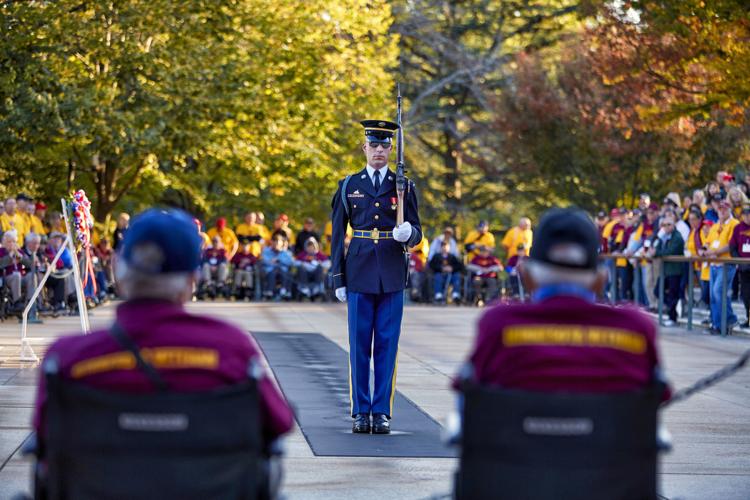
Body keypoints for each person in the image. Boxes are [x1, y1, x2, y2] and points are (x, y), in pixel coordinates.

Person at [31, 209, 294, 465]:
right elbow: (279, 422)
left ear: (118, 273)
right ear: (192, 281)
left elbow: (44, 432)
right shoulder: (231, 348)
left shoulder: (66, 358)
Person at [457, 207, 670, 398]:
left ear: (526, 275)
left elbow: (469, 391)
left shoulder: (499, 324)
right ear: (600, 280)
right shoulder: (635, 328)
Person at [330, 118, 422, 434]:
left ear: (391, 148)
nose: (379, 150)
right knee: (358, 345)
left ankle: (381, 410)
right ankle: (360, 411)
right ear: (365, 147)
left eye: (385, 145)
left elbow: (418, 230)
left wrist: (409, 233)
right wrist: (337, 277)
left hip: (392, 272)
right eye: (374, 144)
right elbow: (337, 234)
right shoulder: (348, 185)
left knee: (387, 344)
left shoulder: (403, 185)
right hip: (358, 270)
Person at [701, 200, 740, 333]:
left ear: (730, 209)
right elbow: (708, 242)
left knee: (718, 292)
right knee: (714, 295)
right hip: (714, 264)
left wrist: (714, 252)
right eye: (720, 209)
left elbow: (731, 245)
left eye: (725, 209)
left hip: (727, 264)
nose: (722, 211)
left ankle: (730, 318)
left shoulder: (735, 224)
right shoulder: (716, 224)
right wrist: (704, 249)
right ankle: (717, 325)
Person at [648, 214, 684, 326]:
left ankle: (673, 317)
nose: (666, 227)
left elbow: (670, 251)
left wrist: (656, 253)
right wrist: (657, 245)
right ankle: (673, 306)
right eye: (664, 225)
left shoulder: (677, 237)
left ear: (673, 225)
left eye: (669, 224)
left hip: (675, 270)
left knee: (673, 293)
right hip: (665, 270)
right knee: (657, 291)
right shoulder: (663, 236)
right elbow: (656, 248)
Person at [729, 207, 750, 327]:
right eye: (745, 215)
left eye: (749, 215)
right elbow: (732, 247)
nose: (747, 217)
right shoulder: (738, 229)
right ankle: (749, 318)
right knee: (746, 295)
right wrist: (739, 261)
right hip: (744, 267)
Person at [260, 234, 294, 300]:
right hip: (270, 271)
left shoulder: (286, 252)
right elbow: (264, 261)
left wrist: (279, 260)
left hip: (283, 271)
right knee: (273, 271)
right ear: (271, 242)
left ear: (281, 243)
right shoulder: (266, 251)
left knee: (285, 272)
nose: (276, 245)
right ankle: (270, 291)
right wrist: (273, 263)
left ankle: (284, 290)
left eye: (278, 243)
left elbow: (291, 262)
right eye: (274, 243)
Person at [0, 230, 26, 310]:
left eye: (14, 241)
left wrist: (20, 257)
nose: (12, 244)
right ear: (4, 242)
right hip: (7, 277)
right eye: (9, 241)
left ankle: (33, 303)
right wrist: (10, 254)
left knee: (32, 276)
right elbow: (1, 264)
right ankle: (16, 302)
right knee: (16, 275)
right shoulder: (1, 251)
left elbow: (29, 264)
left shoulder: (19, 251)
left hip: (20, 278)